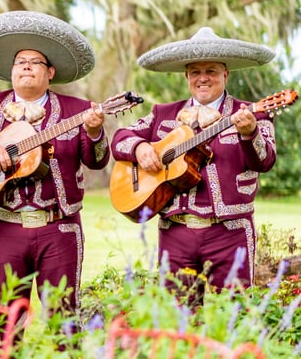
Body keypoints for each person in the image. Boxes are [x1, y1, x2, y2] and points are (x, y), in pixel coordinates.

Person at [0, 11, 108, 317]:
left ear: (51, 72)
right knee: (5, 319)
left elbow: (96, 161)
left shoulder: (79, 110)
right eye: (20, 61)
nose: (26, 66)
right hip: (4, 226)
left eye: (35, 61)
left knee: (64, 319)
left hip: (59, 228)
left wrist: (95, 131)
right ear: (12, 71)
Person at [112, 27, 277, 294]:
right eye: (195, 72)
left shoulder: (251, 113)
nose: (203, 78)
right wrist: (140, 147)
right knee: (179, 318)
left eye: (210, 71)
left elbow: (265, 162)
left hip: (229, 233)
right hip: (175, 233)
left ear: (225, 74)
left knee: (234, 314)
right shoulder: (163, 113)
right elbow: (120, 137)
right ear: (187, 76)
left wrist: (249, 133)